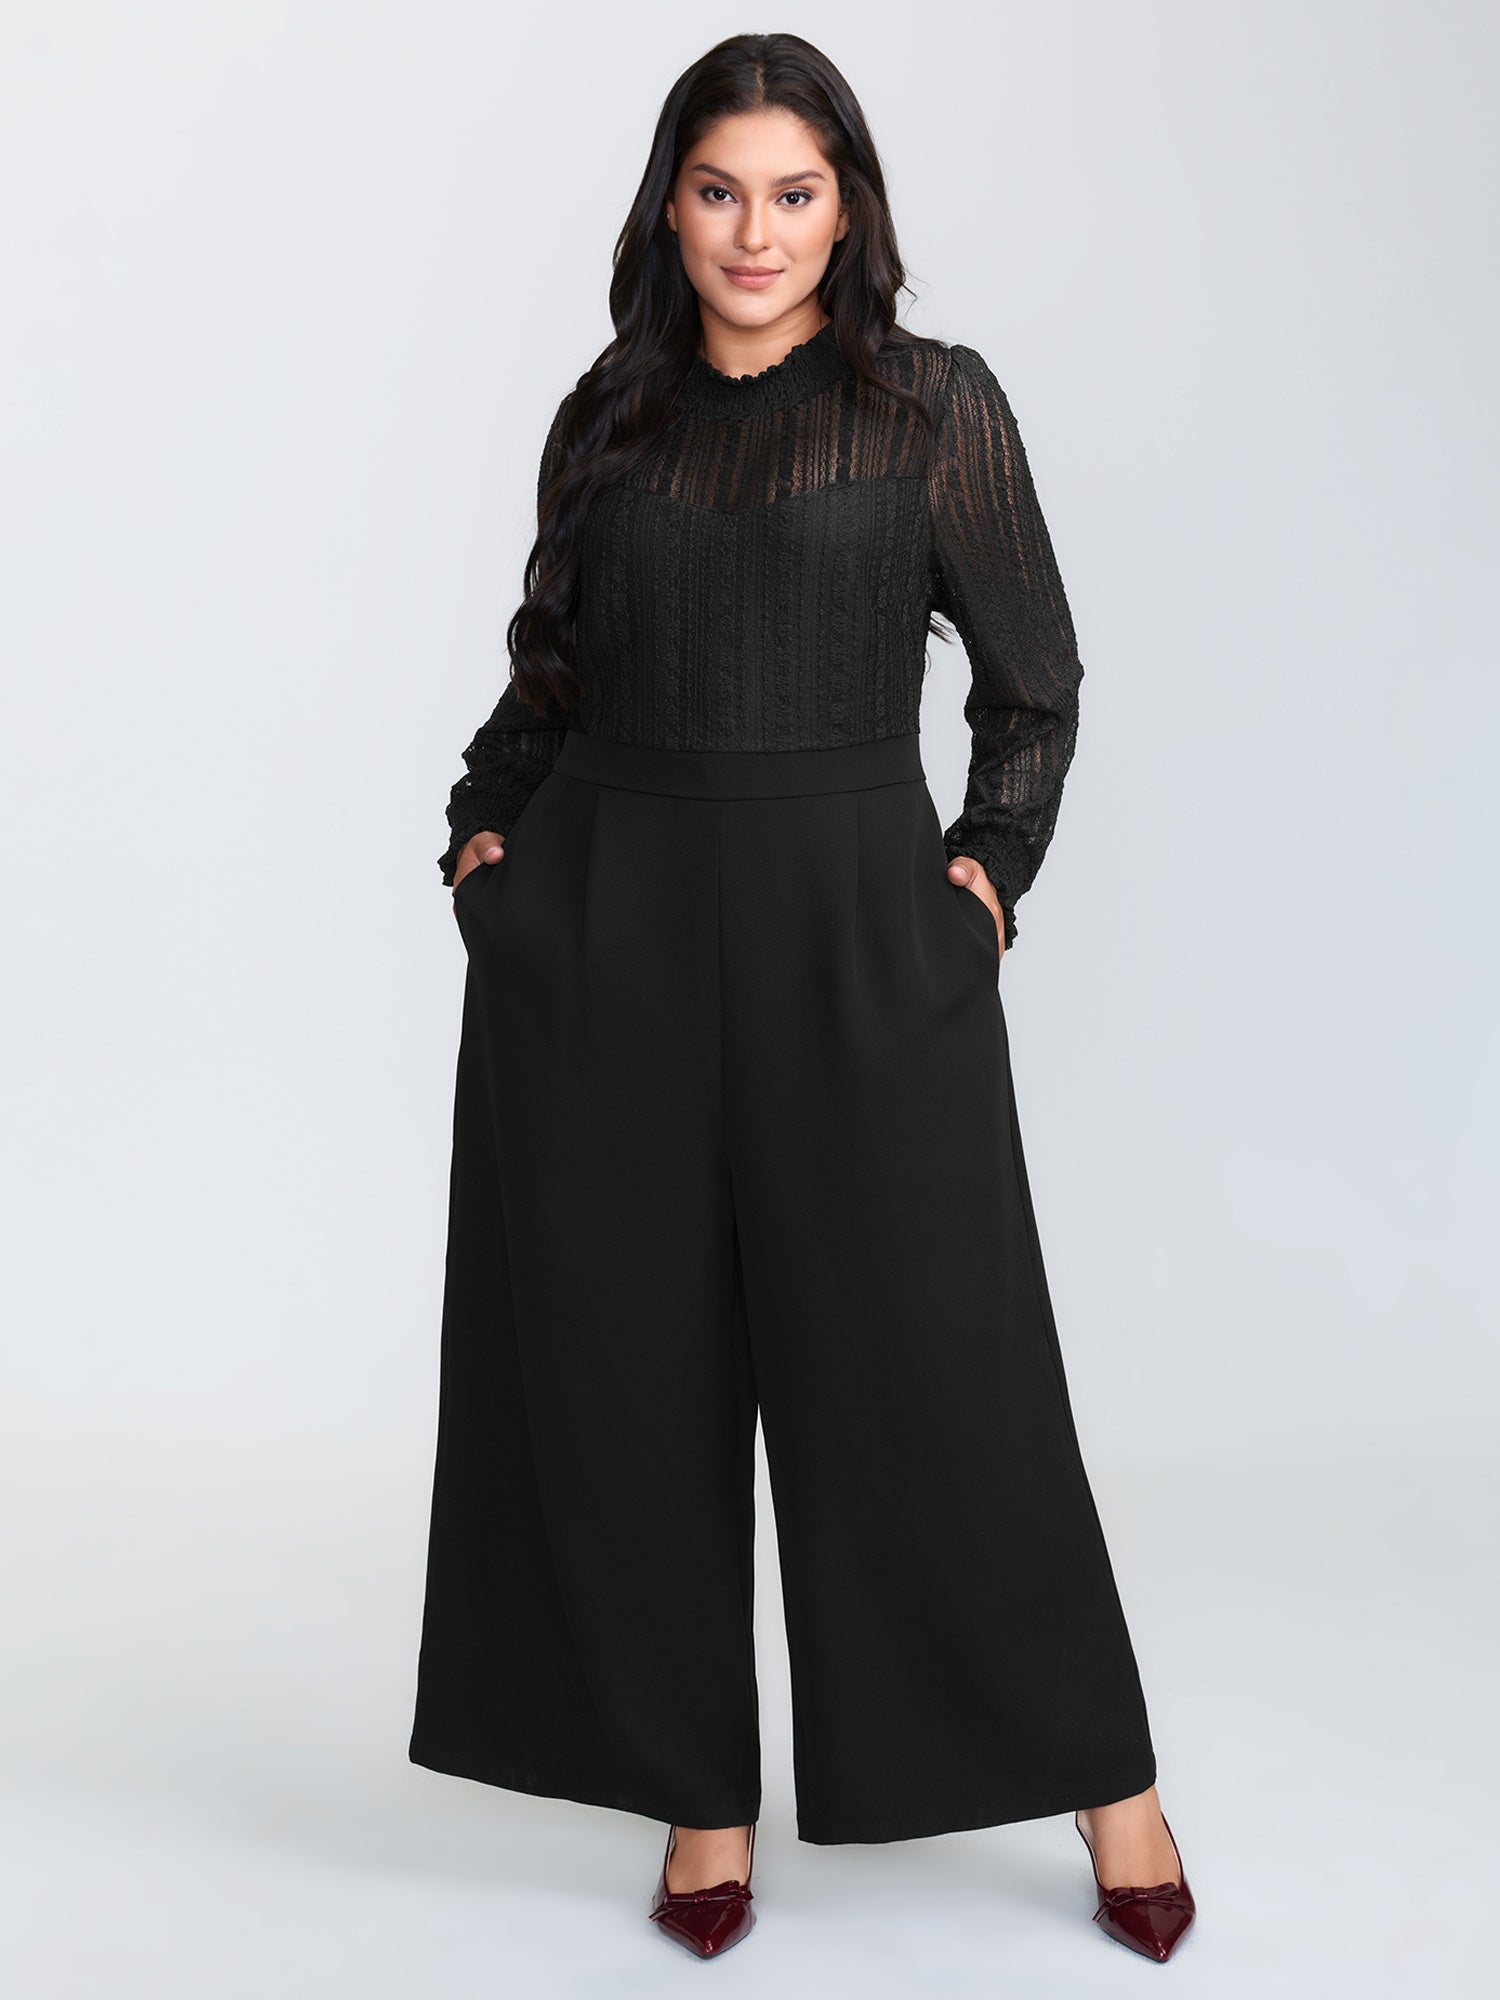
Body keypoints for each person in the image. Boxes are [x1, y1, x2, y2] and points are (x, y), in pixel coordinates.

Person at [408, 31, 1197, 1967]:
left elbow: (1035, 682)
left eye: (792, 192)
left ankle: (1110, 1781)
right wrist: (483, 842)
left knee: (942, 1379)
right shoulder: (607, 415)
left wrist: (985, 886)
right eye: (718, 190)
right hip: (609, 940)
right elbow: (548, 682)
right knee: (630, 1380)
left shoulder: (933, 407)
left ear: (848, 210)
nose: (753, 233)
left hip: (855, 939)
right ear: (667, 206)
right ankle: (700, 1793)